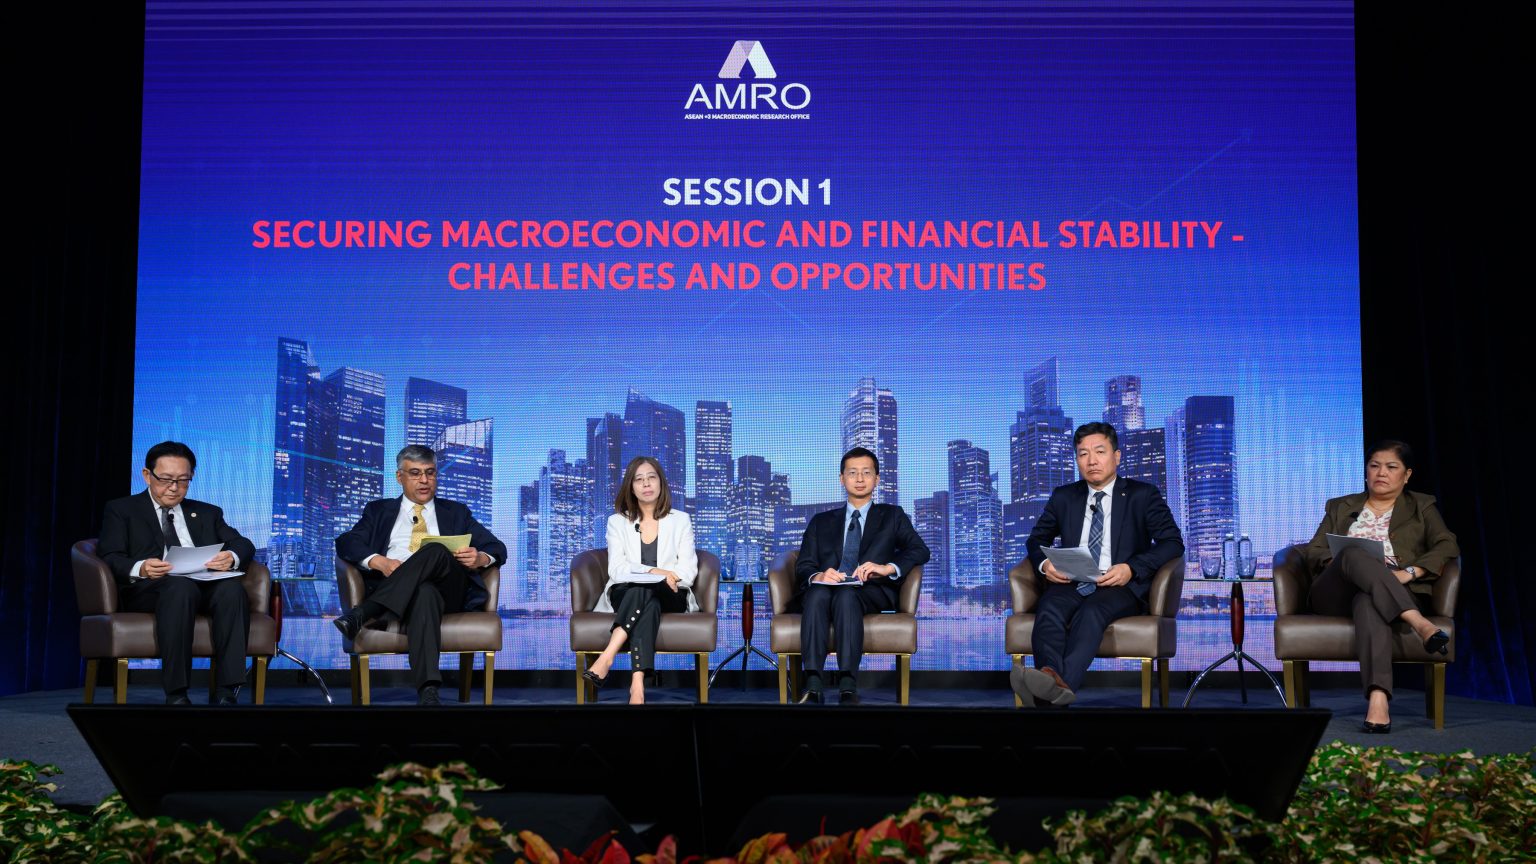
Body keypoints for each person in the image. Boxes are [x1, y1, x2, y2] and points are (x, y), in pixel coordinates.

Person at [1016, 422, 1183, 707]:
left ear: (1116, 456)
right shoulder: (1064, 496)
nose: (1091, 460)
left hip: (1120, 586)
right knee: (1049, 607)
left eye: (1099, 451)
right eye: (1083, 454)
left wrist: (1131, 568)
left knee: (1091, 612)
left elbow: (1172, 543)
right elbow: (1036, 539)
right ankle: (1052, 680)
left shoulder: (1142, 495)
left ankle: (1049, 693)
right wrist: (1045, 565)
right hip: (1072, 581)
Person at [1302, 440, 1456, 733]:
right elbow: (1313, 551)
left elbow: (1447, 544)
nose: (1381, 473)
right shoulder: (1340, 506)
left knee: (1368, 600)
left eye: (1391, 467)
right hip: (1336, 593)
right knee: (1353, 553)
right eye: (1374, 466)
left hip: (1391, 590)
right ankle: (1419, 623)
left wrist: (1410, 572)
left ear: (1407, 475)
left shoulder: (1421, 506)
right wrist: (1347, 562)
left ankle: (1378, 699)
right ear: (1366, 471)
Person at [334, 444, 506, 705]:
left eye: (430, 472)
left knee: (436, 549)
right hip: (401, 591)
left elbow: (497, 547)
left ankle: (365, 612)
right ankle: (428, 691)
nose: (424, 480)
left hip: (450, 591)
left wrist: (481, 558)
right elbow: (346, 542)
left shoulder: (456, 512)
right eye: (415, 473)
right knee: (425, 592)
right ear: (399, 477)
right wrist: (379, 561)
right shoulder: (378, 511)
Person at [97, 441, 255, 705]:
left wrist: (231, 556)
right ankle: (177, 693)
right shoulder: (122, 510)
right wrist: (141, 567)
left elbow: (243, 544)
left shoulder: (208, 512)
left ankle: (227, 692)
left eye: (183, 480)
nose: (174, 487)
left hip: (203, 585)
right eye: (166, 479)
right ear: (147, 475)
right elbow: (110, 556)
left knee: (232, 590)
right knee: (180, 587)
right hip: (151, 589)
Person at [790, 447, 930, 705]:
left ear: (877, 479)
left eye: (866, 472)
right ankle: (813, 683)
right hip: (825, 589)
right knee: (818, 594)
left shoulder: (892, 516)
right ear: (842, 479)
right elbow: (804, 564)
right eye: (852, 473)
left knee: (846, 595)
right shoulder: (820, 521)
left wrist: (887, 567)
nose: (859, 479)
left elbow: (920, 550)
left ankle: (847, 683)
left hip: (870, 590)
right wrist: (819, 575)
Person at [582, 456, 699, 704]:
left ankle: (608, 656)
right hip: (626, 592)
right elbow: (617, 570)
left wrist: (663, 578)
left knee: (648, 590)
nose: (646, 484)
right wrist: (656, 572)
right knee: (645, 594)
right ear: (631, 487)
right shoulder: (617, 522)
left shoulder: (680, 520)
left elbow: (688, 570)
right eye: (639, 479)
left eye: (651, 477)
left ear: (661, 483)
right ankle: (637, 684)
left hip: (672, 592)